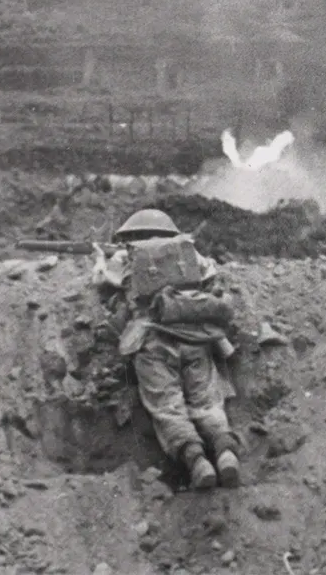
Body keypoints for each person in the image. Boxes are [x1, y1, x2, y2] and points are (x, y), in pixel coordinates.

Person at [93, 208, 242, 490]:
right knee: (207, 403)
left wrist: (101, 257)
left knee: (167, 407)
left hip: (153, 342)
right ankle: (225, 454)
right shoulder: (190, 254)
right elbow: (211, 277)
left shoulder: (126, 256)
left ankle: (197, 461)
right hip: (196, 338)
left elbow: (101, 280)